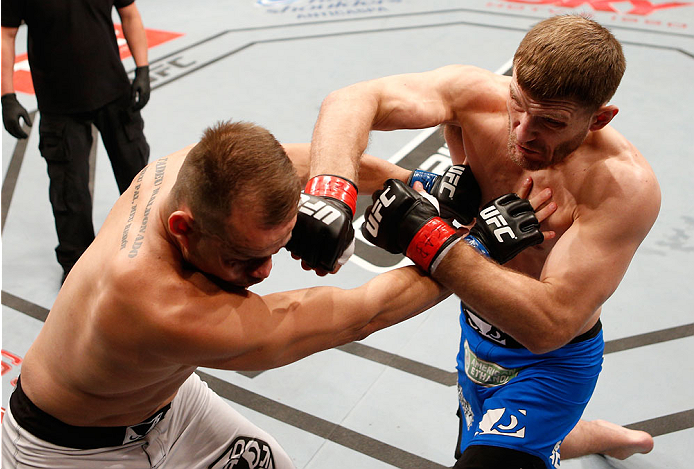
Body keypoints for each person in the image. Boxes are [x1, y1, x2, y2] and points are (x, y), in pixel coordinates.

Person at [0, 120, 550, 468]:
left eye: (275, 248)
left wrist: (419, 184)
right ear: (183, 228)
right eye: (244, 258)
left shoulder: (193, 167)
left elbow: (322, 161)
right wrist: (468, 248)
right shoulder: (157, 306)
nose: (264, 273)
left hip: (165, 406)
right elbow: (360, 315)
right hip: (67, 453)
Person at [305, 14, 659, 469]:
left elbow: (548, 326)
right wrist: (331, 189)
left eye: (550, 122)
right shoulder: (477, 97)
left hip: (550, 366)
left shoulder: (620, 185)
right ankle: (576, 435)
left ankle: (554, 428)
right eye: (518, 104)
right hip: (475, 339)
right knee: (481, 439)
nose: (522, 132)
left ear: (599, 119)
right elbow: (354, 99)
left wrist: (426, 236)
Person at [1, 0, 151, 282]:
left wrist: (142, 67)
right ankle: (77, 269)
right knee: (70, 193)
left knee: (138, 177)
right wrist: (7, 96)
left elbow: (129, 12)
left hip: (114, 92)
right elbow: (5, 34)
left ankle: (150, 245)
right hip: (59, 103)